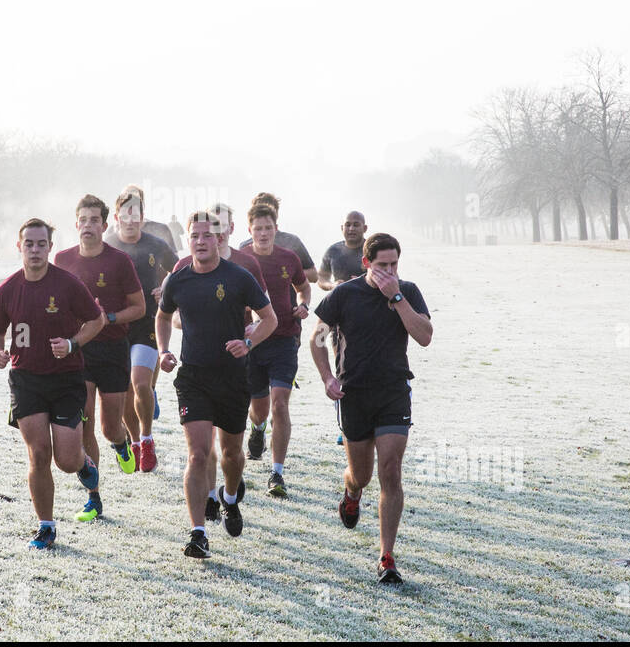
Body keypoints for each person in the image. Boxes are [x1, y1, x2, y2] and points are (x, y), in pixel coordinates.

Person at [310, 233, 432, 584]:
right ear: (366, 263)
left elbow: (424, 336)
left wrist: (395, 297)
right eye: (382, 265)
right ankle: (351, 491)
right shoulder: (344, 294)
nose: (389, 271)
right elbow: (317, 339)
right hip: (355, 394)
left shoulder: (406, 291)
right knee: (361, 474)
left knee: (391, 471)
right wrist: (327, 378)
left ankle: (386, 556)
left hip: (394, 391)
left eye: (394, 264)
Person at [157, 211, 277, 559]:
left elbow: (269, 318)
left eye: (207, 236)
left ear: (219, 238)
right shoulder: (177, 280)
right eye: (194, 236)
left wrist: (249, 343)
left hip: (232, 378)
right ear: (188, 240)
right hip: (193, 378)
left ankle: (229, 496)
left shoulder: (238, 277)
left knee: (231, 455)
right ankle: (198, 533)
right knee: (197, 454)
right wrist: (164, 350)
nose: (200, 242)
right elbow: (162, 315)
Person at [0, 218, 107, 549]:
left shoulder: (67, 285)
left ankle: (84, 463)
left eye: (42, 244)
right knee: (38, 454)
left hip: (67, 379)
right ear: (19, 246)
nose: (36, 250)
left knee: (66, 461)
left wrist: (72, 344)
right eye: (30, 244)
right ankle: (46, 526)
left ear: (50, 247)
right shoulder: (8, 290)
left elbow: (96, 320)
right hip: (26, 381)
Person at [55, 195, 147, 520]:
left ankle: (121, 443)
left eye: (95, 220)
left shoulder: (119, 261)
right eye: (84, 219)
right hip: (80, 350)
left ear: (105, 226)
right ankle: (93, 496)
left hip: (112, 349)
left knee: (109, 426)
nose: (89, 225)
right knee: (84, 422)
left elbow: (140, 308)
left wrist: (107, 318)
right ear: (76, 224)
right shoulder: (62, 259)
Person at [243, 202, 311, 497]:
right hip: (252, 341)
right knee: (258, 409)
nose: (263, 233)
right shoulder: (241, 258)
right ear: (250, 231)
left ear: (276, 228)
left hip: (284, 338)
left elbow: (304, 286)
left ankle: (277, 473)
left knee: (280, 403)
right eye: (258, 228)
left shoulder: (288, 257)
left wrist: (304, 304)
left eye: (268, 228)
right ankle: (257, 430)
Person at [108, 187, 178, 472]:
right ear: (117, 216)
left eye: (136, 213)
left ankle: (148, 440)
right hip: (117, 326)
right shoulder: (107, 244)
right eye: (126, 213)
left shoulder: (155, 243)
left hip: (147, 322)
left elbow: (181, 268)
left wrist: (165, 288)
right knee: (125, 391)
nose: (131, 218)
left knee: (139, 383)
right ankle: (135, 442)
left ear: (142, 216)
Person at [238, 192, 317, 285]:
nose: (264, 214)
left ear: (276, 213)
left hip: (288, 298)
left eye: (269, 210)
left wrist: (287, 273)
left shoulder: (292, 241)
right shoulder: (244, 247)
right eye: (260, 211)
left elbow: (314, 275)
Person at [318, 211, 369, 290]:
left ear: (365, 228)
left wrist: (364, 282)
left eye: (356, 225)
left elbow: (387, 276)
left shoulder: (372, 250)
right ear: (342, 228)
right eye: (347, 225)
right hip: (340, 299)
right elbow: (321, 278)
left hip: (369, 299)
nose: (351, 229)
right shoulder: (333, 251)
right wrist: (332, 286)